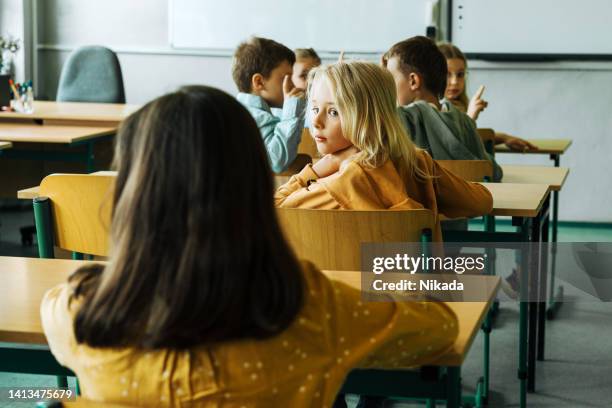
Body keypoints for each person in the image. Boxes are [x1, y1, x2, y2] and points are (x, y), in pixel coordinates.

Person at [41, 85, 459, 407]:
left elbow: (57, 302)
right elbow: (441, 328)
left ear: (133, 197)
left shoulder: (78, 315)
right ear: (254, 184)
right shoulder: (314, 309)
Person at [275, 61, 493, 242]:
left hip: (344, 292)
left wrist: (318, 169)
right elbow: (482, 202)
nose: (316, 121)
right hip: (422, 291)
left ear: (369, 118)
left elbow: (273, 211)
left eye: (333, 112)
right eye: (314, 109)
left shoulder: (338, 185)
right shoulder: (417, 163)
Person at [382, 36, 503, 181]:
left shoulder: (403, 118)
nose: (388, 86)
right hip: (469, 201)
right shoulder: (464, 121)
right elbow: (494, 172)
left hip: (423, 203)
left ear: (413, 81)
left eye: (390, 79)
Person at [438, 42, 537, 152]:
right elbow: (453, 147)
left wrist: (504, 138)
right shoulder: (434, 107)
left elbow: (472, 139)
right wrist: (470, 117)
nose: (455, 82)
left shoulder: (459, 104)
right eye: (447, 74)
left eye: (460, 74)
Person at [233, 36, 305, 173]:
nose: (292, 85)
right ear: (259, 82)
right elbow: (275, 161)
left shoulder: (243, 111)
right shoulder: (253, 116)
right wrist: (292, 107)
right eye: (286, 78)